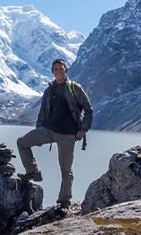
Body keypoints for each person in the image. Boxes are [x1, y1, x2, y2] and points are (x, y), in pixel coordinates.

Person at [16, 59, 93, 208]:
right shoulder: (49, 90)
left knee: (66, 170)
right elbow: (43, 112)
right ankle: (33, 171)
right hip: (48, 130)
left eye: (61, 69)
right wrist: (39, 128)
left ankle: (64, 200)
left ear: (66, 70)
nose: (58, 71)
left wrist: (83, 129)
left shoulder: (74, 88)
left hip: (67, 134)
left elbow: (89, 109)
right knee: (22, 142)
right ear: (52, 72)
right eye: (55, 69)